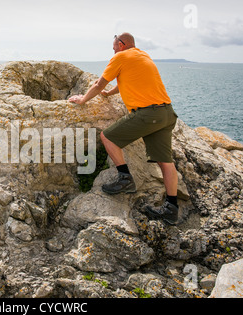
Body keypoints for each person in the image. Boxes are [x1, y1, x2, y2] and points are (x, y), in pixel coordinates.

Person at [68, 32, 179, 225]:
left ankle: (125, 178)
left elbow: (99, 83)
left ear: (121, 44)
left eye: (113, 47)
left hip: (148, 114)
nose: (112, 51)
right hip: (167, 114)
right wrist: (110, 94)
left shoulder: (120, 57)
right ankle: (171, 208)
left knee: (108, 137)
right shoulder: (143, 56)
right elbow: (125, 80)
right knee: (165, 163)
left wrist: (83, 99)